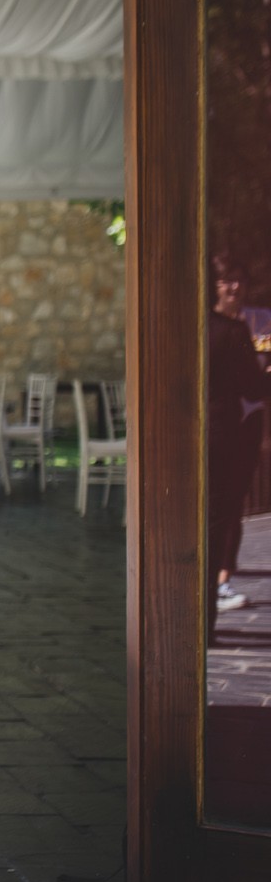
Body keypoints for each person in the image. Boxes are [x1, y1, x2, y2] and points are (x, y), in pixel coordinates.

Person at [207, 262, 271, 643]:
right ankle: (206, 619)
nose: (234, 286)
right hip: (224, 435)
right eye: (226, 279)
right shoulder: (230, 332)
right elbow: (252, 387)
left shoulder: (197, 327)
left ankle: (208, 604)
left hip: (203, 432)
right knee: (219, 519)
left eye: (239, 279)